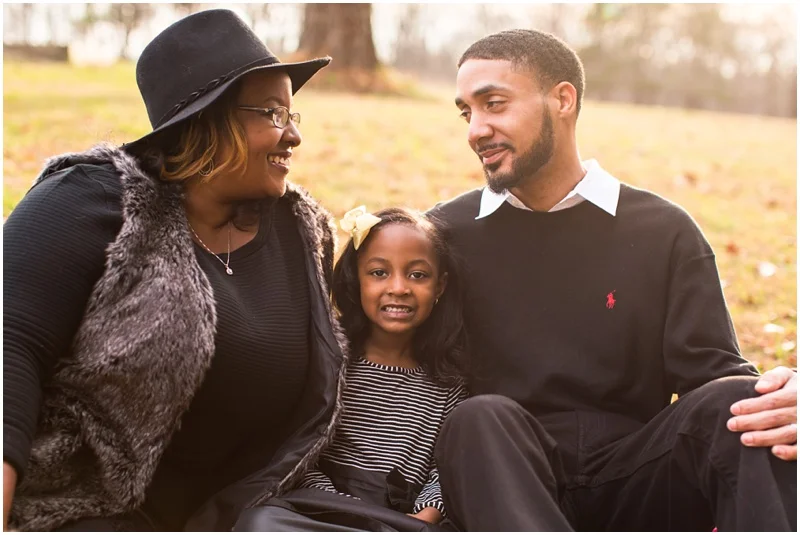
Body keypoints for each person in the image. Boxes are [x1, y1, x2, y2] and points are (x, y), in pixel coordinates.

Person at [428, 29, 797, 531]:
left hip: (639, 475)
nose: (475, 129)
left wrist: (777, 397)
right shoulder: (446, 235)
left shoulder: (663, 230)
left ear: (563, 99)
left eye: (493, 104)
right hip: (506, 476)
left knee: (748, 412)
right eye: (466, 112)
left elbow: (714, 377)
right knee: (479, 418)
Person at [3, 9, 349, 532]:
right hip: (90, 513)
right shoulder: (92, 203)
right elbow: (9, 348)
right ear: (207, 121)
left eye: (294, 115)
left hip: (247, 516)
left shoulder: (303, 232)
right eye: (273, 114)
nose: (292, 137)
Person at [232, 207, 469, 531]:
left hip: (400, 519)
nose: (399, 288)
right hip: (321, 510)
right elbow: (301, 450)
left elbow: (444, 470)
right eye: (379, 273)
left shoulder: (448, 382)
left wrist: (424, 515)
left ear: (440, 286)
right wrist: (345, 508)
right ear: (355, 278)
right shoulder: (332, 360)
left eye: (417, 275)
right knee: (260, 521)